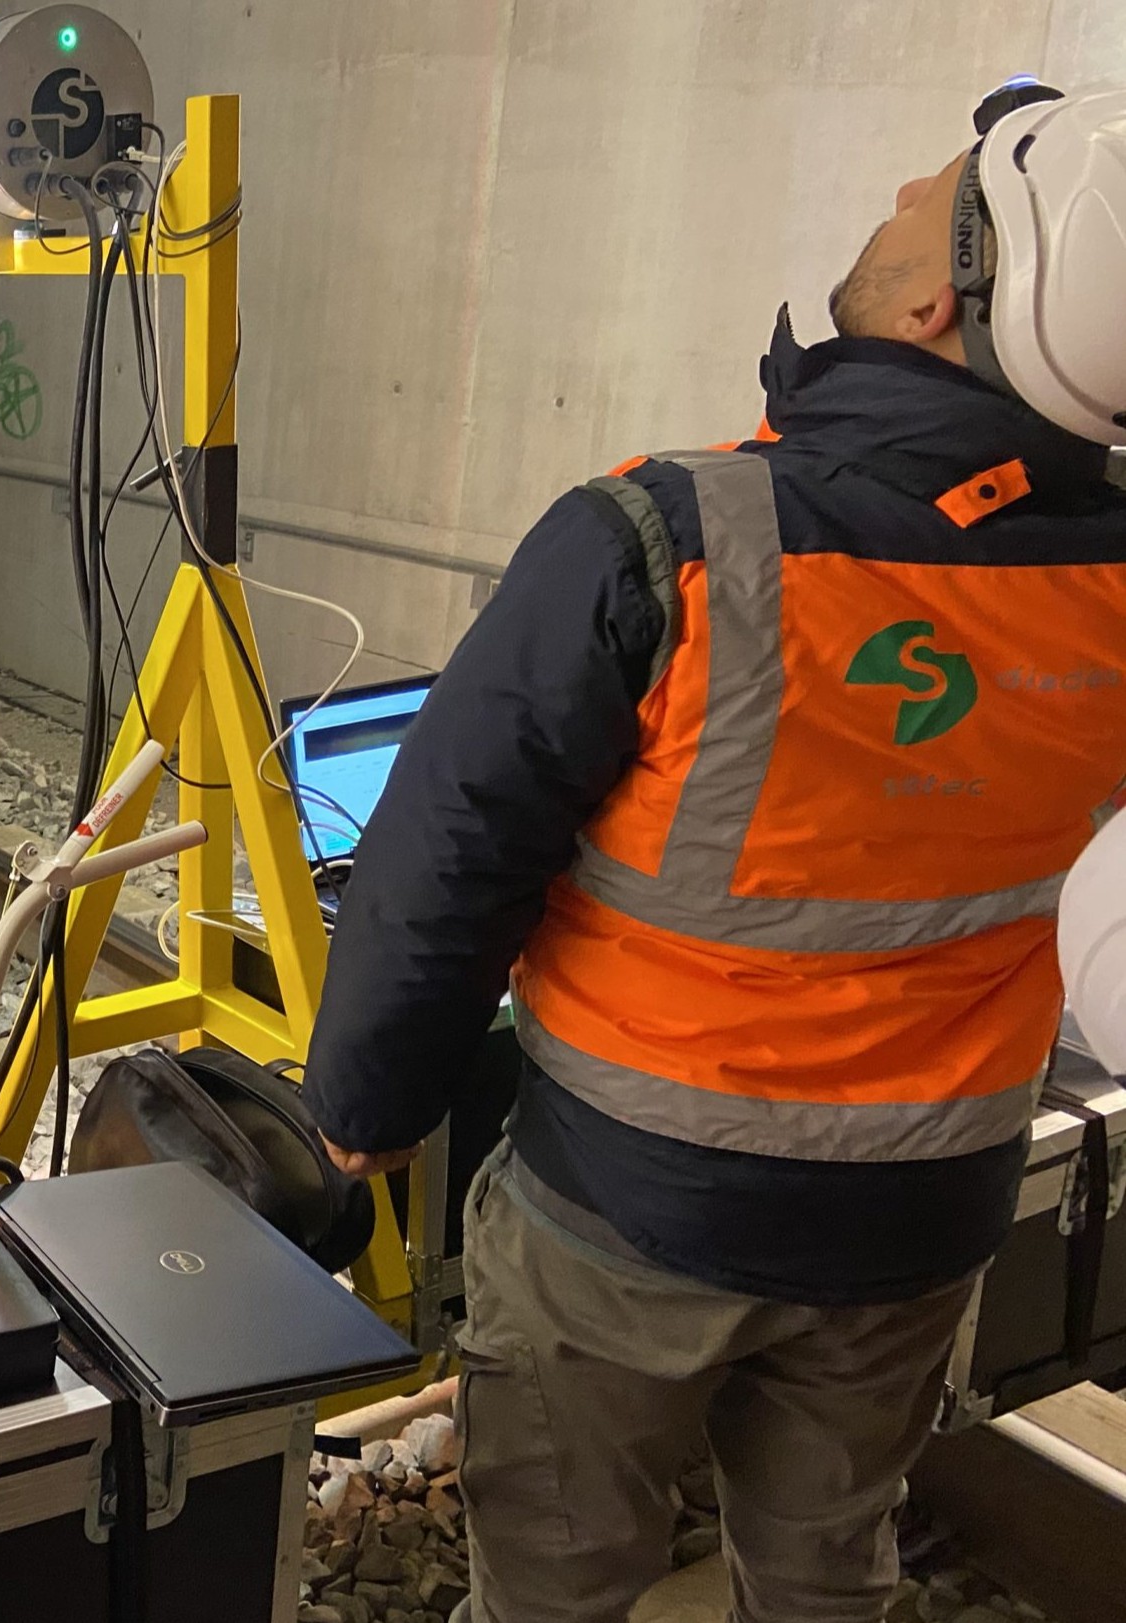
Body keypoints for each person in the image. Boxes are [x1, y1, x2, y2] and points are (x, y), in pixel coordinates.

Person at [302, 80, 1126, 1623]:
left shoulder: (669, 539)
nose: (899, 190)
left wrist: (368, 1104)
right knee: (826, 1571)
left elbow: (453, 842)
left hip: (629, 1209)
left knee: (557, 1581)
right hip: (926, 1215)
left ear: (941, 301)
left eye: (928, 192)